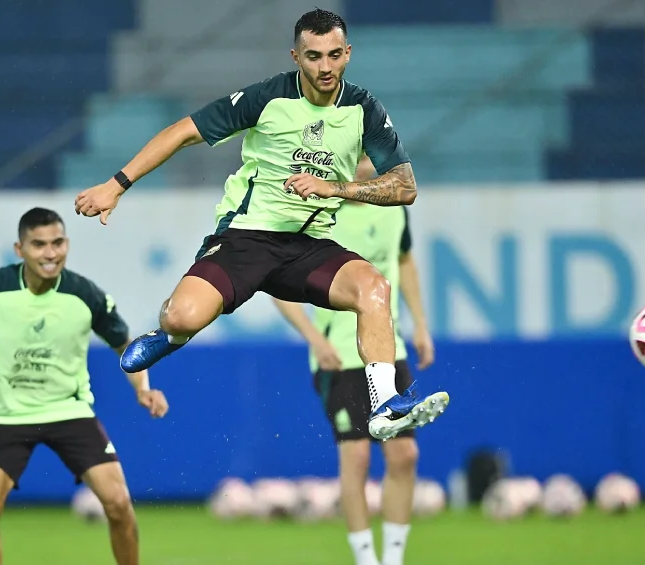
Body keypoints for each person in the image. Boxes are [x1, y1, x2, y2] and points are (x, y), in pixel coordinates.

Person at [73, 8, 448, 441]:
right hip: (246, 238)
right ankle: (171, 336)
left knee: (375, 288)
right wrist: (117, 185)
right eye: (313, 56)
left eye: (333, 55)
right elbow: (182, 131)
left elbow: (405, 186)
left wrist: (334, 188)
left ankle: (385, 406)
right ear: (295, 57)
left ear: (348, 53)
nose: (325, 67)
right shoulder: (268, 98)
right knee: (181, 317)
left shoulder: (364, 109)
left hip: (308, 245)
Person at [0, 207, 168, 565]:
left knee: (119, 503)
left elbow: (125, 345)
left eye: (57, 243)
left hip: (70, 411)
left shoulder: (84, 294)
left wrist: (142, 388)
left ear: (67, 244)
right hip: (6, 416)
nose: (50, 253)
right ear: (20, 250)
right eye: (39, 244)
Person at [272, 155, 435, 565]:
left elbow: (404, 261)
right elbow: (274, 281)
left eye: (368, 155)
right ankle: (365, 558)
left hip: (388, 351)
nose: (364, 163)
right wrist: (314, 339)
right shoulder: (318, 211)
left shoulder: (394, 209)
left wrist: (420, 324)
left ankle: (392, 559)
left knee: (405, 456)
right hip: (339, 356)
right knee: (357, 456)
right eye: (357, 154)